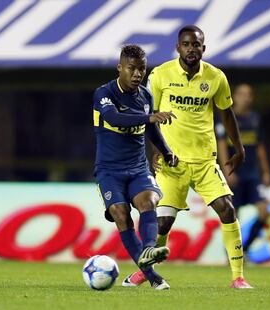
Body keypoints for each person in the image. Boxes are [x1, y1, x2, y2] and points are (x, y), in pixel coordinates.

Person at [122, 25, 252, 289]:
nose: (191, 49)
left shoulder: (216, 77)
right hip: (172, 162)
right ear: (178, 47)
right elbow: (151, 115)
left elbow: (227, 114)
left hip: (205, 160)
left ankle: (238, 277)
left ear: (204, 48)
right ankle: (145, 271)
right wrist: (155, 152)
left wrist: (239, 148)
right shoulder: (160, 75)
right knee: (163, 222)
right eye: (186, 44)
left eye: (196, 45)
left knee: (227, 210)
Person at [93, 44, 179, 290]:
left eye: (142, 69)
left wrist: (166, 151)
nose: (137, 74)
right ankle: (153, 277)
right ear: (120, 68)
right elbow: (113, 118)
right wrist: (148, 117)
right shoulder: (104, 93)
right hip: (109, 170)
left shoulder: (146, 96)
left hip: (138, 168)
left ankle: (149, 249)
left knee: (149, 202)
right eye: (131, 68)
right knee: (120, 214)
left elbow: (151, 128)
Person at [216, 84, 270, 252]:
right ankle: (231, 254)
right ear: (235, 96)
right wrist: (227, 171)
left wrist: (266, 171)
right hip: (235, 173)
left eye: (249, 94)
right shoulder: (226, 118)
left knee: (264, 212)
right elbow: (221, 145)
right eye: (242, 94)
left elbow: (260, 146)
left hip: (253, 174)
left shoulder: (255, 118)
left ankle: (244, 249)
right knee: (233, 216)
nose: (246, 98)